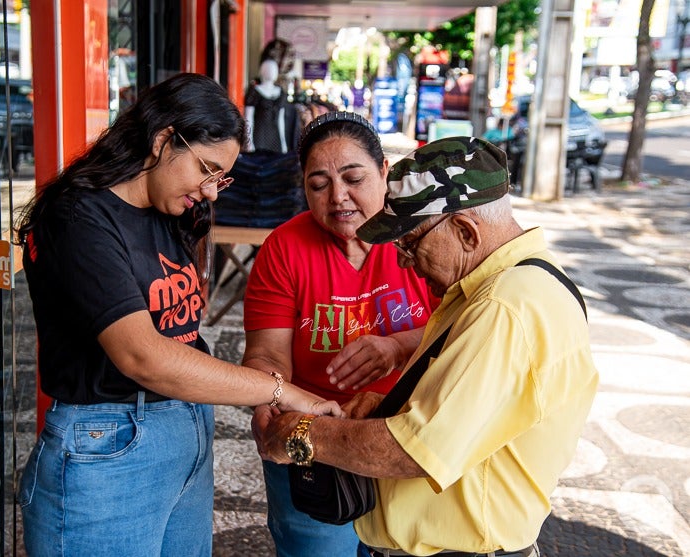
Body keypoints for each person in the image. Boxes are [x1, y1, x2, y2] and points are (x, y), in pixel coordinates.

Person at [14, 73, 342, 557]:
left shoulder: (172, 215)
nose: (212, 192)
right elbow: (143, 356)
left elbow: (184, 338)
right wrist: (280, 391)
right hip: (110, 447)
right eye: (206, 169)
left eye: (221, 178)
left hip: (184, 431)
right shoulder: (78, 216)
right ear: (164, 139)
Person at [255, 137, 599, 557]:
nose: (404, 262)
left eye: (411, 243)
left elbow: (414, 449)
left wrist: (303, 433)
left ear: (466, 232)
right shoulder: (506, 286)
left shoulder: (505, 307)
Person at [242, 111, 439, 557]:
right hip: (316, 438)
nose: (339, 198)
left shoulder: (422, 232)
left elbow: (467, 323)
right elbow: (268, 353)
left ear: (384, 171)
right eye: (319, 185)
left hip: (406, 432)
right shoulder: (284, 248)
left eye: (354, 178)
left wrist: (398, 345)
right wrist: (267, 399)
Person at [244, 59, 297, 153]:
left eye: (273, 69)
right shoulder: (254, 92)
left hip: (275, 138)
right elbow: (248, 118)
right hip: (258, 136)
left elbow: (281, 120)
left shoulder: (281, 93)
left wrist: (283, 141)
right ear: (262, 71)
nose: (271, 71)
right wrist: (249, 141)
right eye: (268, 68)